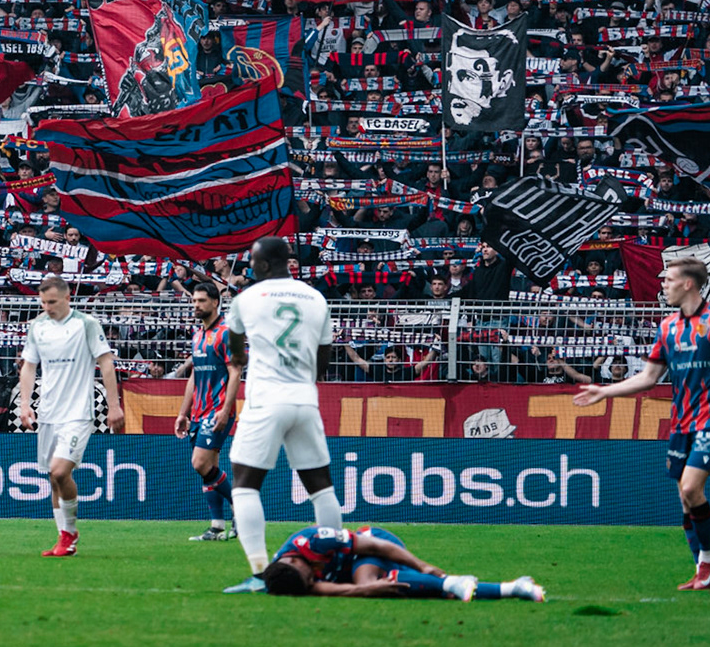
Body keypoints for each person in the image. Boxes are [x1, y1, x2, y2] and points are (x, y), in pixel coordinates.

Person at [574, 257, 710, 591]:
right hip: (680, 422)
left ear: (688, 284)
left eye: (669, 280)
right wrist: (604, 391)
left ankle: (708, 562)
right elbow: (649, 377)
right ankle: (703, 570)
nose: (663, 286)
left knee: (691, 489)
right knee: (685, 498)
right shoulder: (668, 326)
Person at [221, 236, 340, 595]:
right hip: (304, 398)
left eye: (252, 261)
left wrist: (243, 358)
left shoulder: (246, 299)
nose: (249, 266)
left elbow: (235, 351)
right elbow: (323, 359)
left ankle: (260, 573)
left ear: (263, 264)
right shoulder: (316, 298)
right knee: (321, 486)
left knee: (245, 484)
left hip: (266, 399)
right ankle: (333, 568)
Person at [15, 275, 123, 557]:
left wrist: (114, 406)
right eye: (43, 302)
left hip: (78, 413)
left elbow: (106, 363)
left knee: (60, 471)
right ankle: (63, 539)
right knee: (53, 479)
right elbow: (29, 366)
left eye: (52, 302)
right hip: (48, 412)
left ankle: (70, 533)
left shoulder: (86, 324)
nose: (47, 307)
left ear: (67, 298)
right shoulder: (37, 326)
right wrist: (25, 404)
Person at [259, 525, 546, 601]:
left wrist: (422, 566)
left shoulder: (314, 540)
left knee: (372, 583)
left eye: (310, 576)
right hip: (355, 570)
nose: (315, 579)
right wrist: (363, 591)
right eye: (310, 583)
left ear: (295, 560)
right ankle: (514, 588)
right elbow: (317, 589)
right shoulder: (287, 576)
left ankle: (448, 582)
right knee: (420, 589)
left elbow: (375, 545)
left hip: (375, 547)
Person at [173, 279, 238, 542]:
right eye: (194, 301)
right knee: (208, 467)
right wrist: (183, 412)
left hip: (217, 410)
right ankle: (217, 525)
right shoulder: (198, 335)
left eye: (201, 301)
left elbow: (236, 372)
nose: (196, 305)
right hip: (198, 413)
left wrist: (226, 409)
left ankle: (242, 508)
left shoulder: (227, 333)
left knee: (199, 463)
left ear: (215, 302)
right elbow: (194, 376)